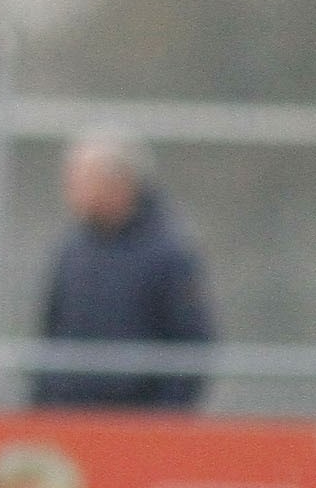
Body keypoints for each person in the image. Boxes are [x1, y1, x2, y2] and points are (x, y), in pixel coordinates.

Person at [31, 134, 215, 409]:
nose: (71, 191)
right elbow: (51, 332)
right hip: (70, 419)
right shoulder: (71, 250)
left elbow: (191, 343)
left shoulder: (169, 252)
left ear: (118, 182)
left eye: (83, 180)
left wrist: (165, 419)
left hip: (139, 422)